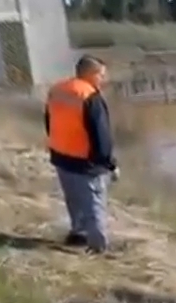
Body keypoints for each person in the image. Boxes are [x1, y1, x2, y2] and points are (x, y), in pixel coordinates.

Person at [45, 54, 117, 254]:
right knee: (94, 202)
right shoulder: (90, 96)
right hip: (85, 161)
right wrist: (109, 163)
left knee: (73, 198)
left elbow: (48, 121)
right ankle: (98, 246)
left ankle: (78, 233)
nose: (103, 79)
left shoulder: (57, 90)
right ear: (90, 74)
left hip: (61, 154)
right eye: (101, 75)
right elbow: (101, 134)